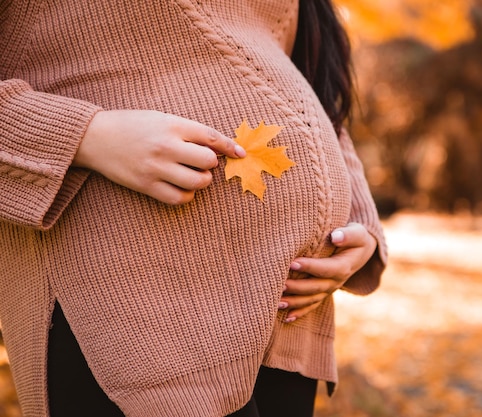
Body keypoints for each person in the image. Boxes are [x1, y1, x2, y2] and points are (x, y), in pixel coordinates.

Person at [0, 1, 387, 416]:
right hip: (130, 290)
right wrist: (91, 137)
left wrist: (358, 222)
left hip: (290, 304)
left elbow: (312, 78)